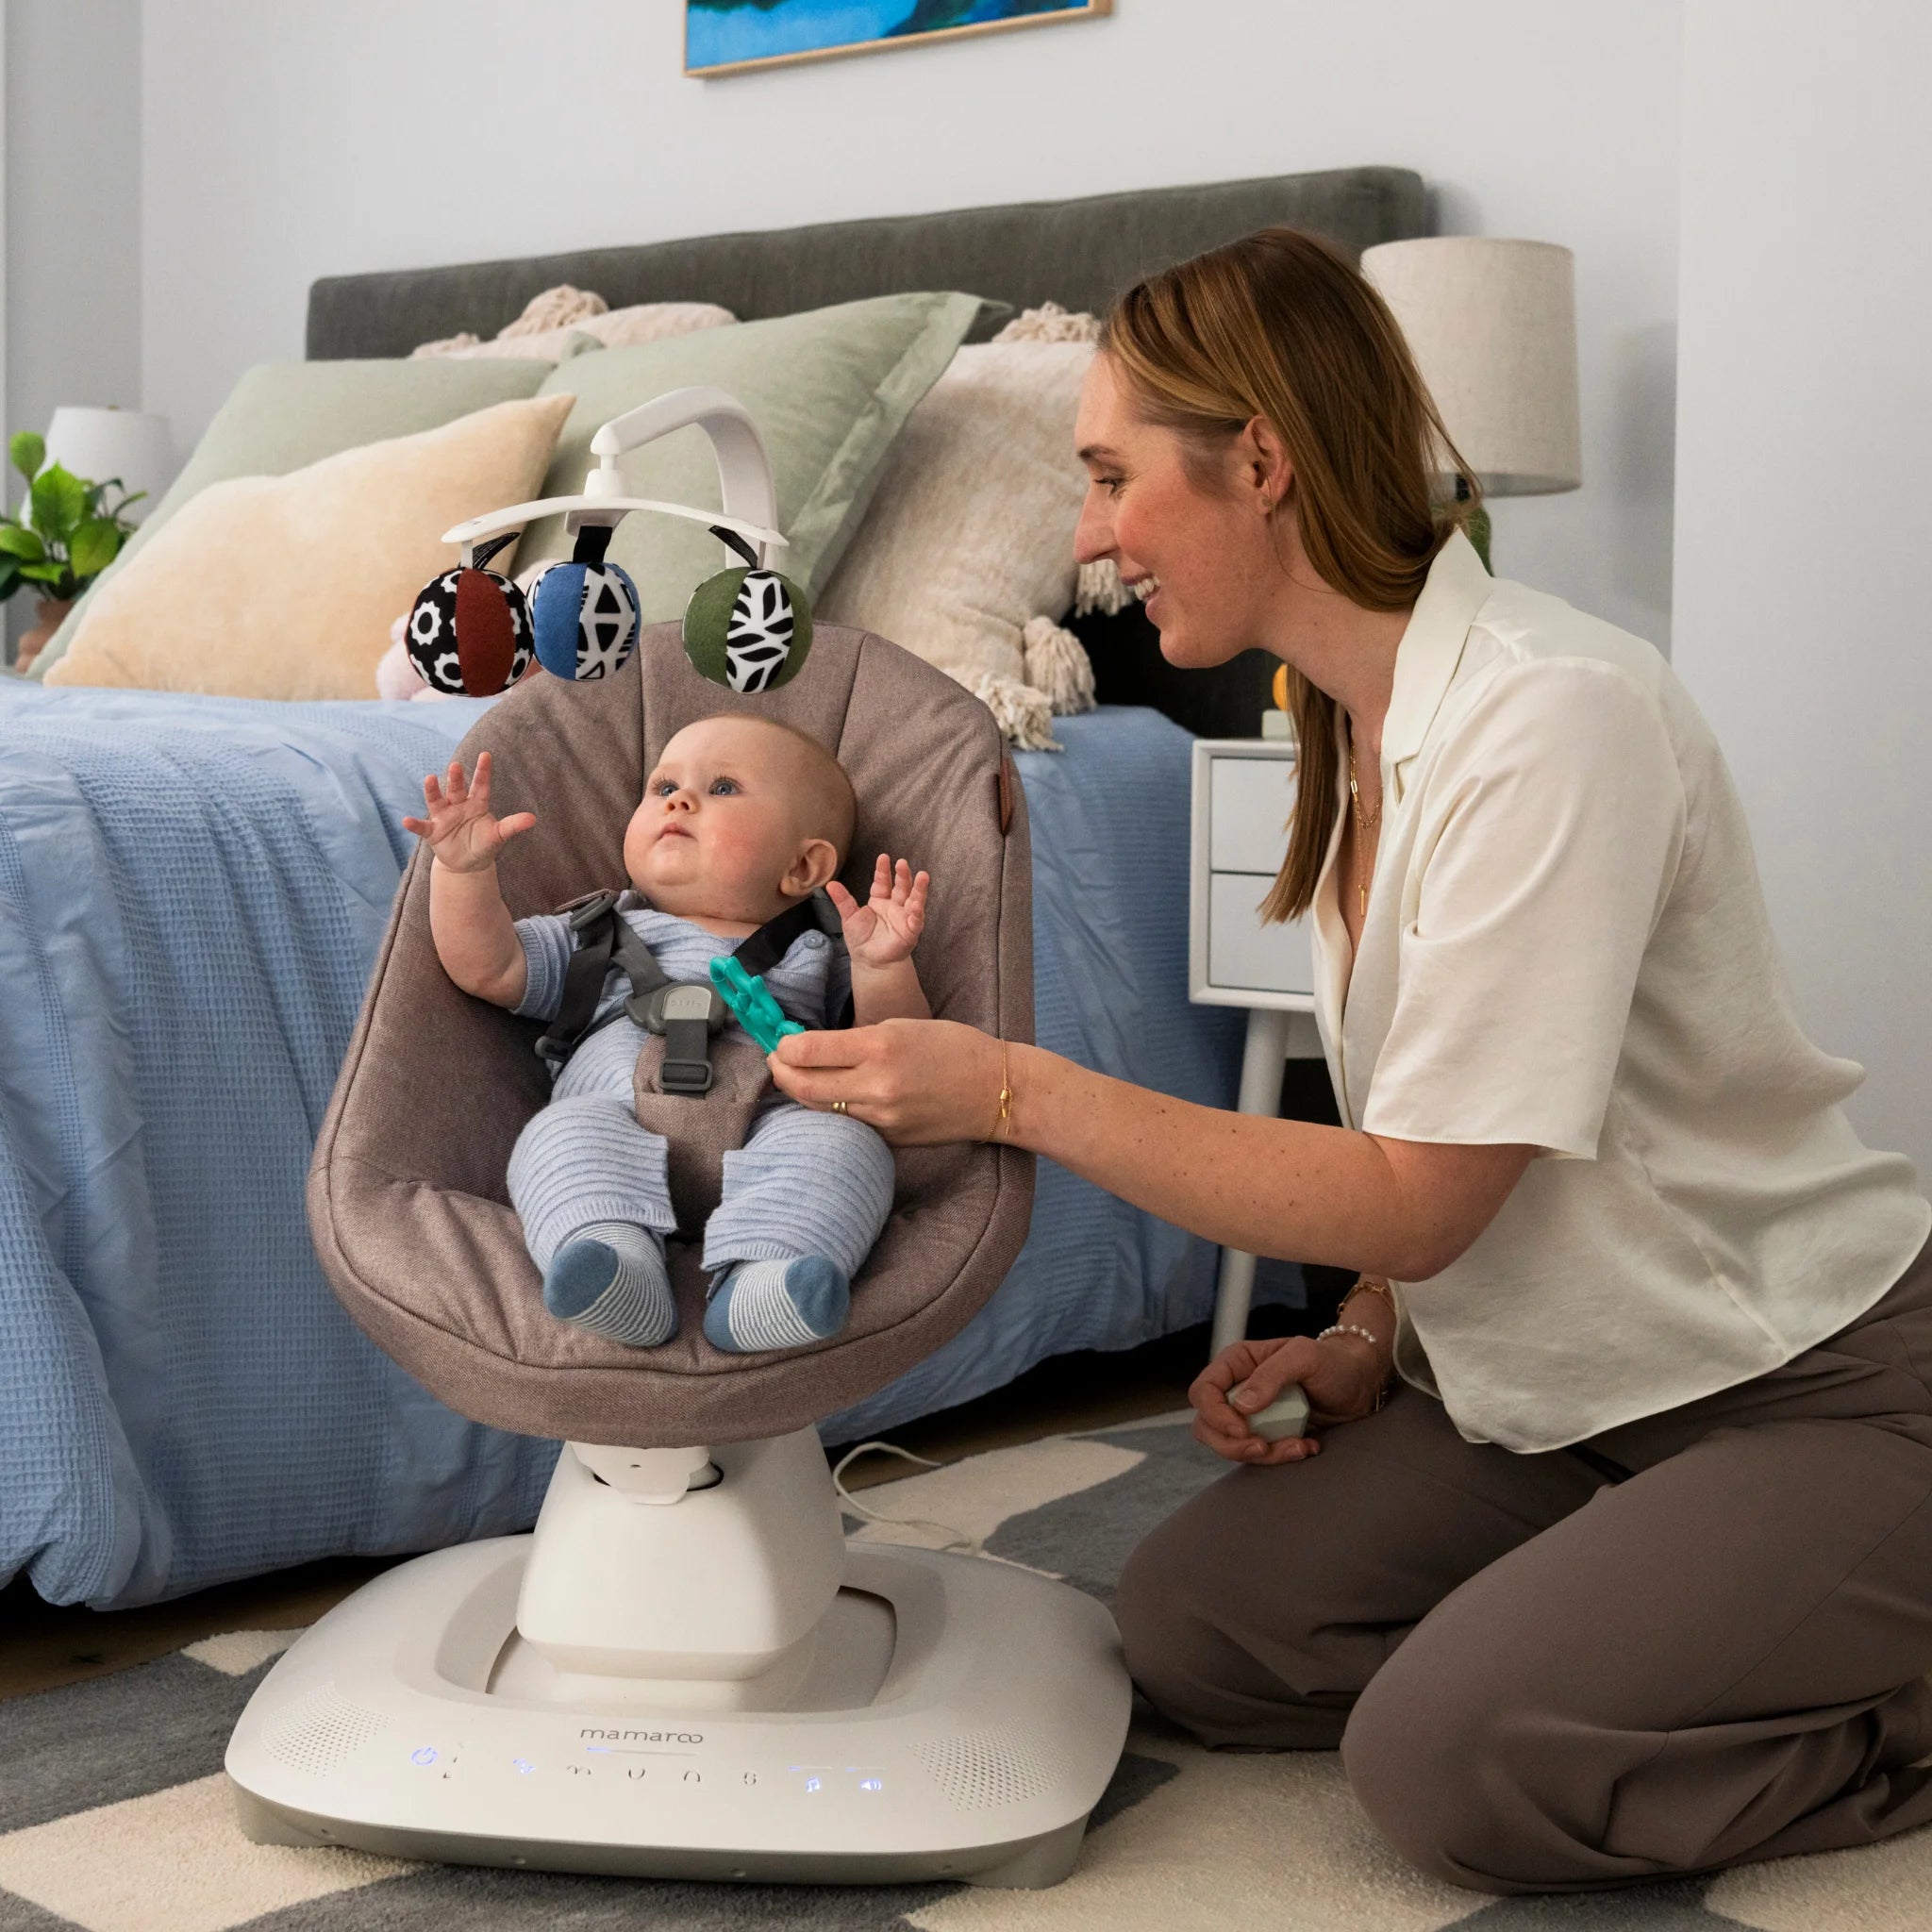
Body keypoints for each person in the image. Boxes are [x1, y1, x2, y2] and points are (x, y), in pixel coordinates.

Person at [763, 227, 1932, 1895]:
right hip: (1556, 1411)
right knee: (1193, 1632)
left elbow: (1419, 1193)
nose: (1087, 537)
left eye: (1106, 477)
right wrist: (1368, 1336)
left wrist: (1011, 1086)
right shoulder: (1342, 724)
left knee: (1450, 1765)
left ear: (1258, 458)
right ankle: (1645, 1618)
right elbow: (1456, 1137)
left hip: (1805, 1388)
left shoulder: (1549, 717)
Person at [405, 712, 930, 1354]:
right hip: (617, 1129)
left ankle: (768, 1280)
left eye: (724, 788)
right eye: (662, 787)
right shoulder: (597, 933)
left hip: (770, 1137)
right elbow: (489, 967)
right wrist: (462, 873)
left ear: (802, 867)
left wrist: (884, 966)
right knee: (558, 1136)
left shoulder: (818, 951)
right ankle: (614, 1262)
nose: (679, 799)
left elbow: (897, 1054)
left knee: (847, 1146)